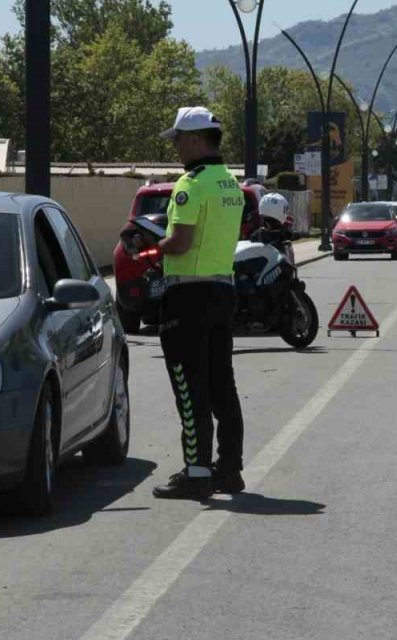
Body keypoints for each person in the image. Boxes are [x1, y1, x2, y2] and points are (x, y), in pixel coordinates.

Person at [148, 106, 247, 501]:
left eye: (178, 141)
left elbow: (180, 242)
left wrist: (152, 246)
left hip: (187, 296)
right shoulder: (230, 184)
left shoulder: (191, 184)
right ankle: (230, 470)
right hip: (222, 290)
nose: (176, 149)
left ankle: (197, 473)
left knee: (190, 389)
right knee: (222, 384)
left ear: (194, 140)